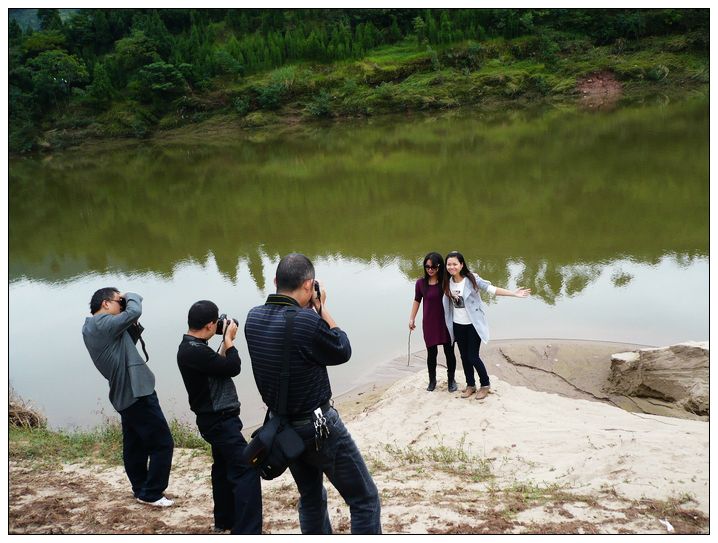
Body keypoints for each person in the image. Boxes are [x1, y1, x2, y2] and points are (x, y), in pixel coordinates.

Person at [244, 253, 381, 534]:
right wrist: (321, 309)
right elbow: (342, 349)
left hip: (284, 429)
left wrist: (308, 309)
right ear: (309, 285)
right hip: (320, 427)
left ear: (275, 281)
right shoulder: (307, 322)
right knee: (364, 499)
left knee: (311, 497)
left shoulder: (253, 319)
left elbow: (287, 342)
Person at [82, 288, 174, 507]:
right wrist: (130, 295)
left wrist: (127, 319)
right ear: (105, 304)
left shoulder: (91, 327)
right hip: (136, 392)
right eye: (118, 301)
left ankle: (140, 488)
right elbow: (135, 311)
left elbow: (125, 344)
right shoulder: (102, 323)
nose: (121, 304)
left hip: (124, 394)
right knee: (162, 443)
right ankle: (152, 493)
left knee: (135, 445)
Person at [176, 300, 262, 534]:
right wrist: (230, 341)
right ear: (209, 325)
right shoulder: (194, 351)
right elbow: (233, 367)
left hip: (214, 421)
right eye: (217, 323)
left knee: (223, 469)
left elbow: (216, 366)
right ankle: (247, 531)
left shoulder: (192, 347)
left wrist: (224, 341)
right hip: (220, 422)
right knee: (247, 468)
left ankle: (224, 522)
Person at [443, 251, 531, 400]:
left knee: (473, 356)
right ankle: (470, 385)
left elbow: (492, 290)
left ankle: (485, 384)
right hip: (457, 325)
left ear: (461, 265)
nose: (452, 267)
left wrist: (513, 293)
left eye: (455, 264)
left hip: (473, 325)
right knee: (464, 357)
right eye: (449, 264)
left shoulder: (472, 279)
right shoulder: (447, 281)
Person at [408, 252, 458, 392]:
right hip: (430, 323)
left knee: (449, 352)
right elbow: (417, 300)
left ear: (439, 267)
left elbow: (461, 279)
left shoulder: (446, 281)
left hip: (446, 322)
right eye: (427, 267)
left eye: (433, 267)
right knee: (431, 353)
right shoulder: (420, 283)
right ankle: (432, 380)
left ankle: (451, 380)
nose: (430, 269)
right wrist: (412, 318)